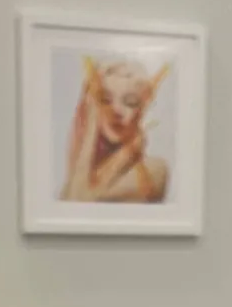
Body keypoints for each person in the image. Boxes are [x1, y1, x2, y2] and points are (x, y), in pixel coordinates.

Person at [62, 56, 172, 203]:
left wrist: (127, 152)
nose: (116, 110)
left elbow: (78, 199)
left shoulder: (154, 170)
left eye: (130, 102)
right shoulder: (78, 175)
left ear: (140, 111)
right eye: (105, 100)